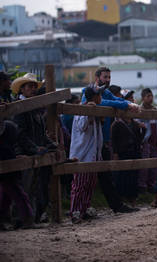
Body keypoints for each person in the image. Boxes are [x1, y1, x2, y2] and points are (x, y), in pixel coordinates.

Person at [85, 67, 139, 214]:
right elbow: (101, 103)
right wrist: (126, 104)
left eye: (109, 77)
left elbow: (114, 99)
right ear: (97, 78)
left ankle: (114, 205)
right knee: (85, 176)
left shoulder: (105, 92)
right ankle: (80, 208)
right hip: (89, 142)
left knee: (104, 175)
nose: (108, 80)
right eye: (105, 77)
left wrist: (127, 103)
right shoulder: (89, 91)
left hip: (101, 141)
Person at [11, 73, 57, 223]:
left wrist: (52, 146)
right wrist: (35, 148)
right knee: (24, 188)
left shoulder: (33, 108)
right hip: (23, 153)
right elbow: (20, 134)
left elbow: (41, 134)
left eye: (34, 86)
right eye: (29, 86)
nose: (32, 88)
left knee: (36, 187)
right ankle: (21, 220)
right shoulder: (19, 107)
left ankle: (32, 217)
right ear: (22, 89)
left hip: (35, 152)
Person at [68, 85, 104, 224]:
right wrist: (89, 112)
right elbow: (82, 127)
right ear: (93, 97)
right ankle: (75, 211)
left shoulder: (98, 110)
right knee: (79, 184)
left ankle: (85, 208)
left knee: (90, 183)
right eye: (98, 95)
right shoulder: (81, 110)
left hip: (93, 153)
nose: (100, 97)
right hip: (82, 155)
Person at [0, 119, 34, 229]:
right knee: (18, 194)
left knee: (6, 196)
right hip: (7, 170)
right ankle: (27, 218)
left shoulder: (9, 132)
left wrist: (16, 157)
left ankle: (3, 219)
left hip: (9, 169)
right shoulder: (8, 137)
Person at [111, 114, 145, 206]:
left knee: (133, 177)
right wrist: (115, 153)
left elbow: (139, 139)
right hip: (123, 153)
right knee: (122, 176)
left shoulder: (135, 124)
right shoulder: (117, 123)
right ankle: (121, 200)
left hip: (134, 152)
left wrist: (144, 129)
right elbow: (114, 140)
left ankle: (132, 199)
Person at [138, 88, 157, 193]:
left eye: (151, 96)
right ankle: (142, 186)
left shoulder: (155, 109)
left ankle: (152, 185)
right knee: (145, 165)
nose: (150, 98)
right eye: (148, 96)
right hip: (146, 140)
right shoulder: (140, 109)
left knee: (155, 164)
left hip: (155, 140)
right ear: (143, 98)